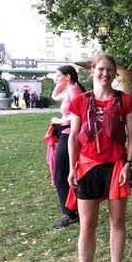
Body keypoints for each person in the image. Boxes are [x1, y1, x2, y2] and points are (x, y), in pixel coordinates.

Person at [67, 54, 132, 262]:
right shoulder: (80, 101)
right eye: (101, 69)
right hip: (87, 168)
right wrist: (71, 168)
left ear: (115, 73)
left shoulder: (125, 101)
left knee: (117, 223)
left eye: (110, 70)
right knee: (87, 226)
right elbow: (73, 136)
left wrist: (128, 164)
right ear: (93, 71)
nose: (105, 73)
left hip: (117, 167)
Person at [50, 65, 85, 229]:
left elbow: (78, 115)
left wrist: (59, 121)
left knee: (60, 175)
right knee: (63, 174)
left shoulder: (74, 90)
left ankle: (70, 213)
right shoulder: (71, 89)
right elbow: (54, 96)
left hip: (70, 134)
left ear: (68, 76)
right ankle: (73, 210)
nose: (57, 79)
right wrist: (62, 81)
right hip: (66, 133)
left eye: (58, 76)